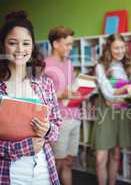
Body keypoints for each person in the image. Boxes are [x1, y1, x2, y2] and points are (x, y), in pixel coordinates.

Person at [0, 10, 62, 185]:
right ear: (3, 45)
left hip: (44, 171)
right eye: (13, 43)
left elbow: (57, 126)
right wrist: (21, 148)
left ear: (32, 47)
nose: (20, 49)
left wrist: (48, 129)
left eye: (26, 43)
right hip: (7, 176)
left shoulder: (45, 84)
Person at [93, 33, 131, 185]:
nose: (120, 51)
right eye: (116, 48)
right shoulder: (100, 67)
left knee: (116, 155)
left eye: (122, 47)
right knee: (100, 158)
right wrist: (124, 90)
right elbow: (108, 94)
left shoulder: (127, 67)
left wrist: (124, 97)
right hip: (105, 115)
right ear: (109, 49)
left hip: (122, 114)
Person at [44, 26, 81, 185]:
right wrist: (61, 94)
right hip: (58, 121)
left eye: (71, 44)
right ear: (55, 44)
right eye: (67, 44)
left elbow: (72, 89)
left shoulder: (69, 64)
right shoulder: (45, 65)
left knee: (68, 162)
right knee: (57, 164)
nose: (70, 48)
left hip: (75, 117)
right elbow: (42, 96)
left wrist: (80, 93)